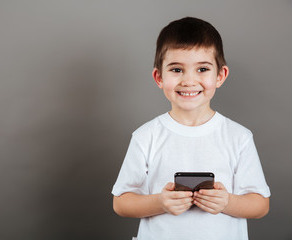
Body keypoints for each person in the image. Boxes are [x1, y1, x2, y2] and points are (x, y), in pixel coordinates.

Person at [111, 17, 270, 240]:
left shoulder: (239, 137)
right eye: (176, 69)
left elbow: (261, 204)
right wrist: (159, 202)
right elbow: (121, 202)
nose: (188, 80)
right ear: (159, 77)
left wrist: (227, 202)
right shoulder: (146, 136)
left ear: (220, 76)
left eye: (202, 69)